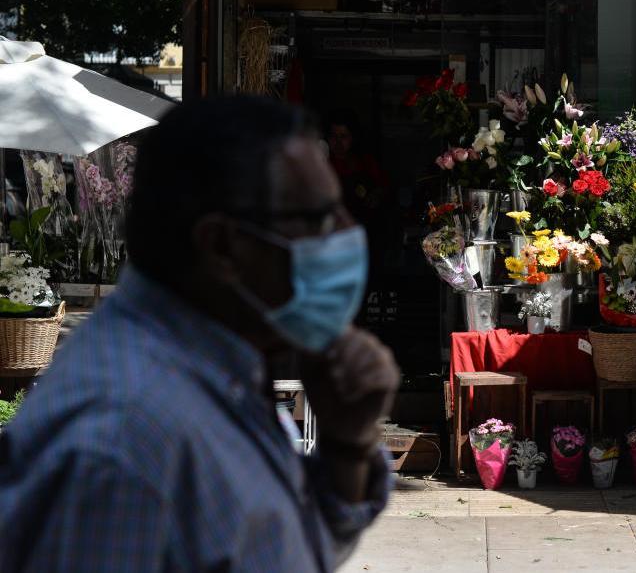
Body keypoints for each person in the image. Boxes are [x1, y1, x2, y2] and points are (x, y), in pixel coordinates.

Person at [0, 96, 401, 571]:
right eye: (319, 218)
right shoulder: (121, 443)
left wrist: (346, 447)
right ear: (223, 247)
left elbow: (280, 548)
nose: (347, 234)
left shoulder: (222, 372)